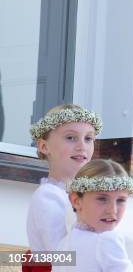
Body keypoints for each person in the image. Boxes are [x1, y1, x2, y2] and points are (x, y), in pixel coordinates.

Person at [26, 104, 101, 252]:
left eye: (88, 138)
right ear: (44, 146)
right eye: (71, 137)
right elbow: (62, 257)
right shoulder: (48, 196)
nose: (82, 146)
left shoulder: (88, 195)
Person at [55, 159, 133, 271]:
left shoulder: (64, 243)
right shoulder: (107, 241)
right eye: (102, 199)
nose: (112, 210)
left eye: (121, 200)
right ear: (76, 201)